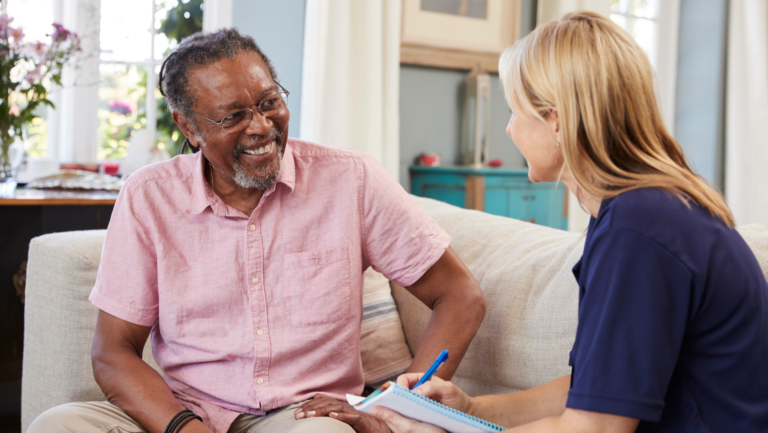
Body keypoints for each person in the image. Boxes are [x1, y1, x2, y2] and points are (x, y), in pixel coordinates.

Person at [297, 12, 768, 433]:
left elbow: (597, 427)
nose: (509, 129)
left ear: (557, 122)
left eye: (515, 109)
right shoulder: (641, 212)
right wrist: (471, 409)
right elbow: (593, 388)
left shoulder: (640, 231)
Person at [27, 29, 486, 433]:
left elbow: (460, 296)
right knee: (58, 425)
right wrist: (185, 430)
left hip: (304, 417)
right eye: (233, 117)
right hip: (186, 414)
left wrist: (394, 410)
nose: (263, 127)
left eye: (270, 102)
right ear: (188, 127)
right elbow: (113, 353)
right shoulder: (148, 197)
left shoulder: (352, 179)